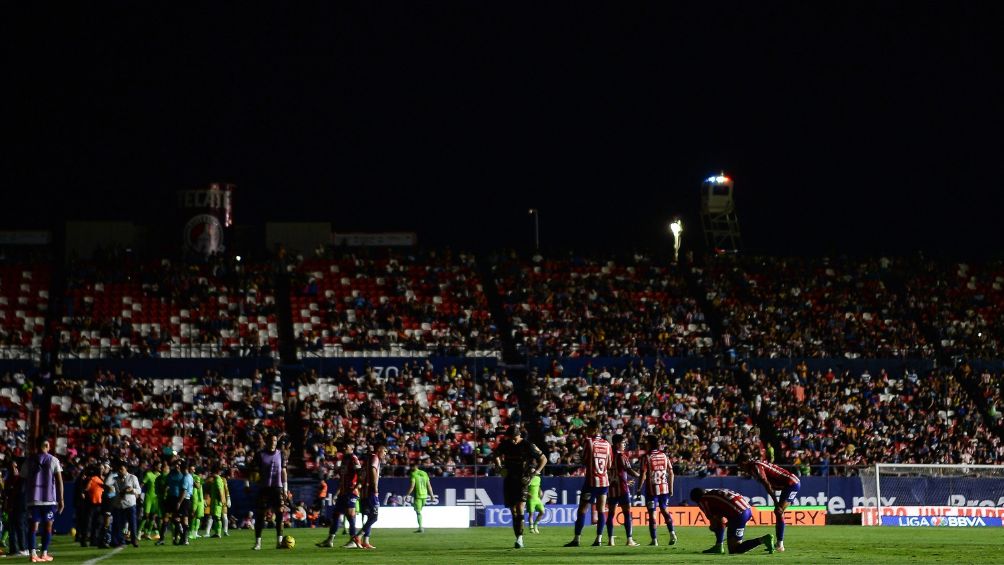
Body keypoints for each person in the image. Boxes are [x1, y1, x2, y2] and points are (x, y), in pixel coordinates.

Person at [493, 425, 546, 549]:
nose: (512, 440)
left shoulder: (528, 445)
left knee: (520, 507)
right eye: (510, 438)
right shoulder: (505, 444)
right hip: (509, 479)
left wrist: (535, 473)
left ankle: (520, 538)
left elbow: (543, 459)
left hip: (523, 480)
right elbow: (495, 454)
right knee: (513, 511)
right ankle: (518, 537)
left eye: (514, 438)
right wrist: (499, 467)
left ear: (519, 435)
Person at [565, 420, 611, 547]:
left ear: (595, 429)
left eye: (589, 428)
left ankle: (577, 539)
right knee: (601, 510)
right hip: (604, 481)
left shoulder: (589, 441)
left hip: (591, 482)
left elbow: (584, 460)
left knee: (582, 510)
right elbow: (609, 464)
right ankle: (599, 539)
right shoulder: (607, 444)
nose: (587, 431)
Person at [741, 455, 799, 552]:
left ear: (744, 463)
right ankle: (779, 544)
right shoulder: (754, 467)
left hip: (791, 484)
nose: (740, 468)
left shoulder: (755, 467)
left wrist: (776, 502)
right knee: (779, 512)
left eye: (740, 465)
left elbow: (766, 484)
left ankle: (780, 545)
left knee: (778, 511)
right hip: (788, 484)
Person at [691, 487, 774, 555]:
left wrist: (713, 527)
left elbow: (715, 521)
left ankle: (763, 539)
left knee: (734, 549)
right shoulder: (714, 493)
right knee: (720, 522)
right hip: (747, 510)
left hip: (738, 514)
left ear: (696, 499)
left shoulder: (703, 499)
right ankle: (718, 546)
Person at [24, 438, 64, 563]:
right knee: (48, 527)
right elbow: (59, 481)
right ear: (47, 445)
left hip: (33, 499)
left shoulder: (29, 460)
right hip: (49, 499)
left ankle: (33, 554)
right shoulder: (53, 460)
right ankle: (44, 553)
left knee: (33, 527)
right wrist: (61, 499)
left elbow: (22, 479)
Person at [317, 438, 361, 549]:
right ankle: (330, 540)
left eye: (346, 447)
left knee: (350, 516)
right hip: (343, 492)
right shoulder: (344, 459)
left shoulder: (353, 458)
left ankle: (353, 541)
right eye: (343, 446)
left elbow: (360, 473)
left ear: (352, 448)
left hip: (351, 492)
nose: (344, 448)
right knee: (336, 515)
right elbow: (342, 478)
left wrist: (356, 486)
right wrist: (338, 492)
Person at [250, 433, 288, 551]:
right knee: (260, 515)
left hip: (277, 488)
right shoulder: (260, 455)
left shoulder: (281, 454)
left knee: (280, 514)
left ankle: (279, 542)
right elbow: (252, 470)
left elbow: (283, 471)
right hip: (264, 488)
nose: (273, 442)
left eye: (275, 440)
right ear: (266, 441)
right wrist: (249, 483)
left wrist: (285, 488)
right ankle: (258, 543)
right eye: (271, 440)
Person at [638, 434, 676, 546]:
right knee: (665, 511)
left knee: (652, 515)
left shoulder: (646, 457)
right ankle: (672, 533)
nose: (645, 444)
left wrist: (639, 488)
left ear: (650, 443)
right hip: (664, 489)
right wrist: (671, 488)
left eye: (646, 442)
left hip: (652, 490)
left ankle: (654, 540)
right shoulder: (664, 456)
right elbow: (671, 473)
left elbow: (643, 474)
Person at [605, 434, 640, 546]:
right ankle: (629, 540)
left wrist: (625, 481)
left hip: (612, 489)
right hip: (622, 490)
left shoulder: (609, 456)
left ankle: (610, 540)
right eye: (623, 442)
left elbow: (613, 473)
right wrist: (639, 476)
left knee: (611, 515)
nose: (625, 444)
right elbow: (629, 470)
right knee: (627, 514)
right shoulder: (621, 456)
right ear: (617, 444)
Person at [358, 443, 386, 549]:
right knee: (374, 516)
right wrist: (375, 486)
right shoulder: (375, 458)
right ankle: (358, 537)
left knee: (370, 516)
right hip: (371, 492)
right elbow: (373, 470)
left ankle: (366, 541)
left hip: (365, 491)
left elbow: (362, 474)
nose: (385, 454)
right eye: (384, 451)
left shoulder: (368, 459)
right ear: (379, 450)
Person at [111, 462, 141, 548]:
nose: (120, 471)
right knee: (120, 524)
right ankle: (121, 541)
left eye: (122, 469)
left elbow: (139, 490)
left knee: (132, 523)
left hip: (130, 504)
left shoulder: (132, 477)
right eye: (119, 469)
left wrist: (132, 490)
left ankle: (134, 540)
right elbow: (110, 487)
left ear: (126, 469)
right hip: (119, 505)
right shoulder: (115, 479)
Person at [3, 460, 27, 557]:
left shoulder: (21, 479)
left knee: (20, 527)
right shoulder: (8, 480)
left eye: (15, 467)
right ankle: (14, 550)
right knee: (11, 529)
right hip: (11, 507)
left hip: (20, 507)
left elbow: (21, 494)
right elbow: (6, 494)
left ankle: (23, 548)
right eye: (12, 467)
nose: (14, 469)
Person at [404, 462, 433, 533]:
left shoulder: (413, 474)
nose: (410, 468)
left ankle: (420, 527)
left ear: (414, 466)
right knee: (419, 510)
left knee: (418, 512)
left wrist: (407, 495)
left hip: (418, 495)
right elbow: (429, 485)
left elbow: (412, 486)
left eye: (411, 467)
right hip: (425, 495)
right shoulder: (424, 473)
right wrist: (432, 495)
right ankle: (420, 527)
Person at [138, 462, 161, 540]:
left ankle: (148, 533)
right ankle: (139, 532)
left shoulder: (159, 475)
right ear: (155, 466)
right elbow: (142, 484)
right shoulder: (148, 474)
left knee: (153, 516)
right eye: (159, 466)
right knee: (146, 516)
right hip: (148, 497)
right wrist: (138, 494)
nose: (160, 467)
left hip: (156, 498)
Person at [188, 464, 205, 540]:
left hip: (199, 499)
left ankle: (195, 532)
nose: (193, 471)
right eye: (191, 469)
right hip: (192, 498)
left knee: (198, 516)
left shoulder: (196, 477)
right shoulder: (187, 477)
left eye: (194, 469)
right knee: (192, 516)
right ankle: (191, 532)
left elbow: (199, 486)